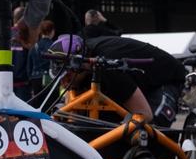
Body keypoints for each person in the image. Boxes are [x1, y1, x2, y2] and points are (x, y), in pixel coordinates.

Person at [49, 33, 186, 124]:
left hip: (163, 80)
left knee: (146, 126)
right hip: (133, 81)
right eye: (59, 78)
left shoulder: (108, 67)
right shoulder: (82, 63)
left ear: (81, 67)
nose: (63, 82)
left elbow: (144, 113)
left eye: (67, 76)